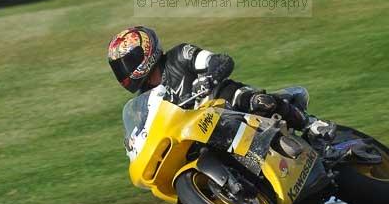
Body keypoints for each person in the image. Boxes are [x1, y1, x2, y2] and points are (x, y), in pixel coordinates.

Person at [108, 26, 335, 153]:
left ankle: (311, 124)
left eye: (129, 61)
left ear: (146, 52)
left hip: (224, 103)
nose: (125, 70)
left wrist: (210, 76)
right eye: (120, 67)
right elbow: (144, 132)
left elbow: (220, 60)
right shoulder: (145, 102)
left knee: (258, 102)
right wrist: (133, 143)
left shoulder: (180, 55)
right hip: (198, 134)